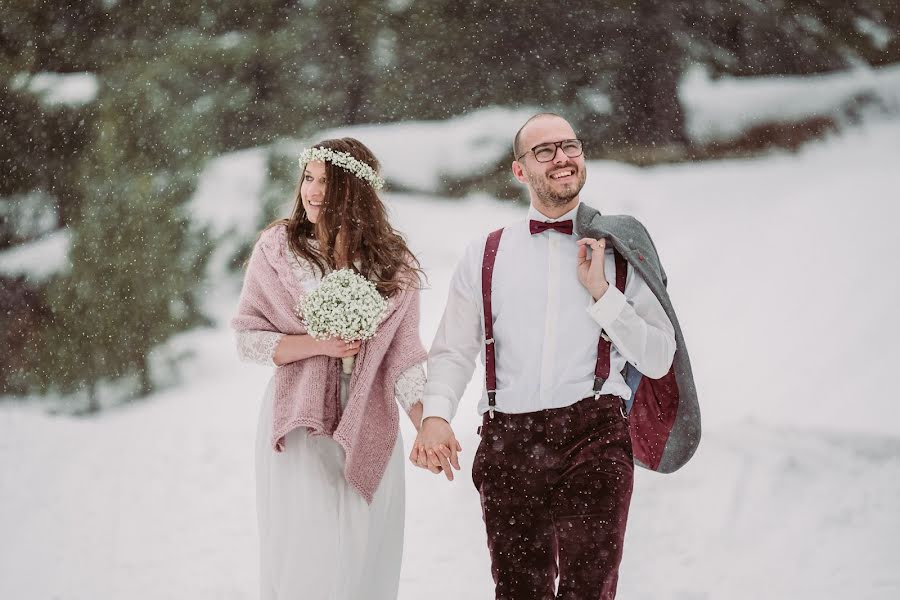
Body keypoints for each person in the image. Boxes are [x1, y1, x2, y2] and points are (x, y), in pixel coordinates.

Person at [411, 113, 700, 599]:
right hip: (508, 443)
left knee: (589, 591)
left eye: (570, 146)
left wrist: (604, 295)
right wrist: (436, 415)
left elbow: (658, 357)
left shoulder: (620, 249)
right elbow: (454, 350)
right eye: (544, 150)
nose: (562, 157)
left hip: (595, 436)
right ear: (520, 170)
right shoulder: (485, 253)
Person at [232, 137, 428, 600]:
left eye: (327, 181)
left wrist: (428, 426)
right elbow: (247, 339)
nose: (313, 191)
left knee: (365, 550)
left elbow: (403, 357)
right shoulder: (278, 249)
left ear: (356, 191)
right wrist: (317, 343)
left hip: (371, 418)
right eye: (308, 178)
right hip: (300, 420)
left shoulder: (391, 263)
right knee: (308, 553)